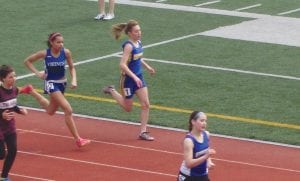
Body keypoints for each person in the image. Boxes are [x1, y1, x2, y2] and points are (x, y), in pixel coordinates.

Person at [23, 32, 91, 148]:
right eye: (58, 42)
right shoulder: (45, 53)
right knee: (68, 109)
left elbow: (72, 67)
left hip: (62, 83)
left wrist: (74, 79)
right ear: (51, 43)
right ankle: (78, 139)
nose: (61, 44)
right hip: (51, 83)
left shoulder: (66, 52)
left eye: (62, 42)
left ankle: (31, 91)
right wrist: (38, 73)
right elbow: (27, 61)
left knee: (50, 111)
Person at [102, 20, 155, 141]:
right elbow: (122, 64)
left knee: (146, 104)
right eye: (136, 31)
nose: (139, 33)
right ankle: (111, 91)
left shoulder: (139, 43)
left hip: (139, 78)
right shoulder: (128, 46)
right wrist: (134, 77)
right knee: (128, 108)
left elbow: (138, 58)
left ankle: (143, 132)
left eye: (140, 30)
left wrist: (148, 67)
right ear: (130, 33)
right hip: (128, 80)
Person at [0, 65, 30, 181]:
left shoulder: (15, 90)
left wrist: (19, 110)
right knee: (2, 154)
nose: (14, 79)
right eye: (10, 77)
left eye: (14, 76)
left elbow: (11, 105)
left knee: (13, 151)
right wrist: (1, 115)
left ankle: (4, 177)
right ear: (3, 79)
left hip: (10, 127)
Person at [177, 111, 216, 181]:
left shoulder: (206, 134)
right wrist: (205, 157)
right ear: (193, 122)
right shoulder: (189, 141)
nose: (204, 123)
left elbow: (207, 151)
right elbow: (188, 164)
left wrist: (209, 162)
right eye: (201, 121)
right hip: (188, 176)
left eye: (205, 121)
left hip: (203, 175)